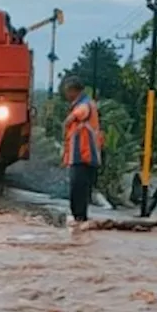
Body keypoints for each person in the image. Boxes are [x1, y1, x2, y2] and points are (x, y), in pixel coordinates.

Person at [60, 76, 102, 223]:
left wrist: (69, 119)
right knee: (78, 193)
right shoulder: (82, 104)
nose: (66, 94)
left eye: (67, 91)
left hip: (84, 156)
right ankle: (79, 225)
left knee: (78, 193)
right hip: (80, 156)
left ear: (73, 91)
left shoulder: (85, 105)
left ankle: (79, 223)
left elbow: (82, 113)